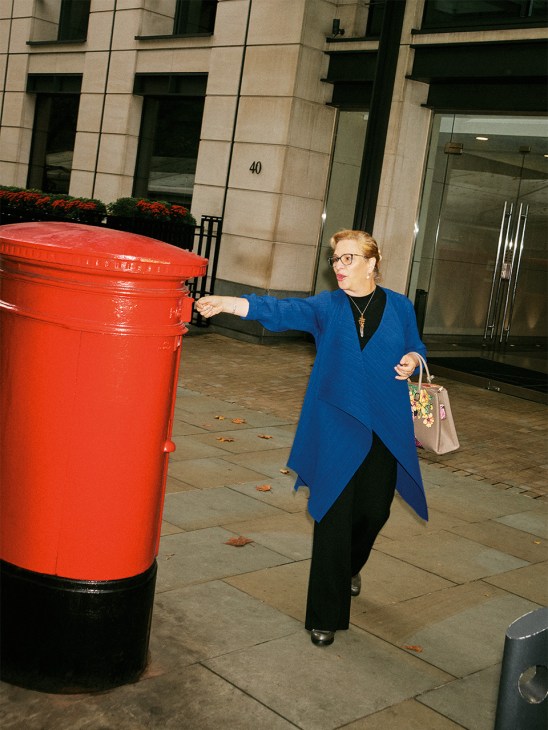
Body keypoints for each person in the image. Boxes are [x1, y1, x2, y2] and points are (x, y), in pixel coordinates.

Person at [195, 229, 428, 647]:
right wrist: (229, 303)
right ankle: (325, 615)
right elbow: (281, 310)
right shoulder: (327, 306)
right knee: (333, 516)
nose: (339, 267)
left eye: (349, 258)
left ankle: (351, 566)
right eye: (336, 259)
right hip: (337, 426)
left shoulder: (400, 306)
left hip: (386, 428)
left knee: (374, 512)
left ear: (373, 263)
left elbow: (415, 345)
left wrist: (414, 359)